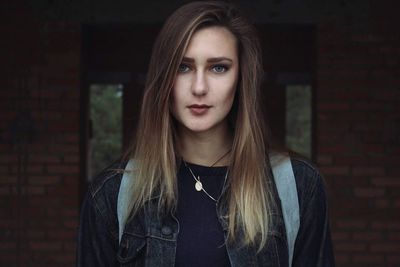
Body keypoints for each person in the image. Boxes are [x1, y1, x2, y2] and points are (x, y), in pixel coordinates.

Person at [77, 1, 335, 266]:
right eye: (183, 67)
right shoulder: (112, 194)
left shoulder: (298, 186)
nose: (199, 87)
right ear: (164, 77)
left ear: (241, 77)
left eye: (218, 67)